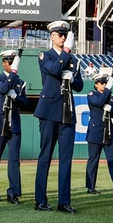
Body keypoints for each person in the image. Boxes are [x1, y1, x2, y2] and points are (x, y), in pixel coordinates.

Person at [33, 20, 84, 213]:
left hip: (67, 111)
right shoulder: (44, 55)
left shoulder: (73, 59)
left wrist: (74, 78)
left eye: (65, 34)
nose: (63, 37)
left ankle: (64, 201)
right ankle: (40, 200)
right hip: (48, 111)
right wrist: (67, 52)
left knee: (66, 159)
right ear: (52, 36)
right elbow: (54, 69)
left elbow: (79, 86)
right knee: (45, 156)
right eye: (59, 34)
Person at [0, 49, 28, 204]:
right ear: (3, 63)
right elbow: (4, 89)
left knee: (14, 160)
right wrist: (14, 73)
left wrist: (16, 97)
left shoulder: (21, 83)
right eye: (9, 62)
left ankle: (13, 193)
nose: (11, 65)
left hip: (14, 124)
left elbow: (25, 104)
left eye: (13, 62)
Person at [85, 70, 113, 196]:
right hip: (96, 131)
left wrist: (111, 109)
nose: (104, 85)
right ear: (96, 84)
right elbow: (99, 102)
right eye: (102, 83)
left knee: (112, 159)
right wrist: (108, 89)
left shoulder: (111, 97)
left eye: (105, 83)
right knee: (93, 160)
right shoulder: (91, 94)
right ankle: (90, 186)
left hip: (109, 131)